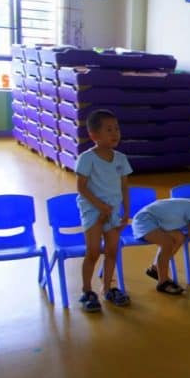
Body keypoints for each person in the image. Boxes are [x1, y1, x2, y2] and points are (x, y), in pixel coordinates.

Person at [76, 109, 133, 312]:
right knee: (92, 252)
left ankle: (108, 288)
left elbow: (124, 187)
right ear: (94, 135)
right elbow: (81, 188)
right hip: (93, 211)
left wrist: (126, 212)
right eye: (109, 130)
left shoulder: (121, 159)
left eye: (116, 128)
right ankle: (86, 291)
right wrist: (100, 207)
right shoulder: (86, 158)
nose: (115, 133)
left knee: (111, 250)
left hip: (113, 211)